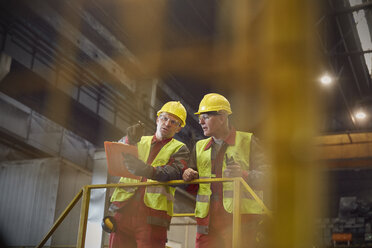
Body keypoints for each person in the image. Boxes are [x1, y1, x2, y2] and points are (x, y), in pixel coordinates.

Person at [183, 93, 268, 248]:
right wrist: (187, 175)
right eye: (200, 117)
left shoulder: (248, 142)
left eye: (206, 117)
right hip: (207, 221)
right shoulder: (199, 147)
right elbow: (193, 185)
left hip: (241, 221)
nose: (200, 121)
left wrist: (243, 175)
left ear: (222, 117)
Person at [109, 101, 190, 248]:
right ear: (157, 119)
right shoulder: (139, 140)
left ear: (179, 128)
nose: (167, 123)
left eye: (174, 122)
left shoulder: (180, 148)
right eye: (165, 118)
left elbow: (174, 172)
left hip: (152, 217)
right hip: (123, 209)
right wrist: (128, 139)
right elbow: (116, 153)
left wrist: (146, 170)